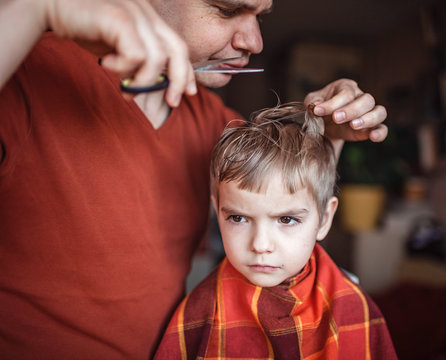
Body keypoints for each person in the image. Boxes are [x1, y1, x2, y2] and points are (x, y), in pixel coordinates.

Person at [0, 0, 388, 359]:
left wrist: (332, 136)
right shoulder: (26, 74)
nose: (253, 40)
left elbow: (296, 199)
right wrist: (32, 9)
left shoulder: (213, 122)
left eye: (260, 15)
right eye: (226, 9)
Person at [153, 103, 397, 359]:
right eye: (238, 218)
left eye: (287, 220)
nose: (260, 245)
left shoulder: (350, 306)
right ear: (217, 210)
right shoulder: (201, 310)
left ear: (324, 219)